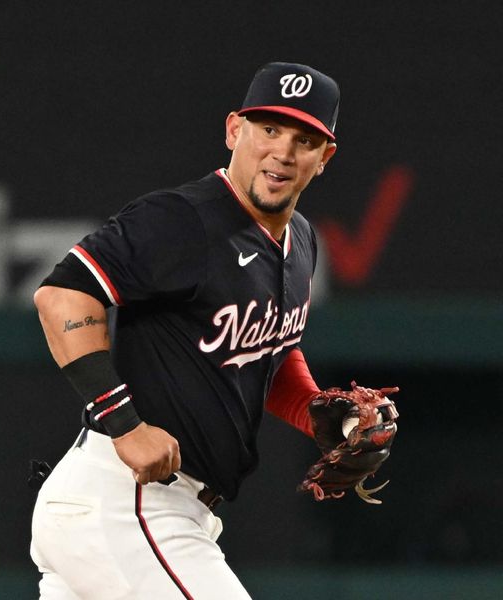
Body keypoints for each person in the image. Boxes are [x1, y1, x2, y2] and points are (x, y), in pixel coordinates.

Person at [29, 62, 382, 599]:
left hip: (153, 514)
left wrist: (313, 410)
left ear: (324, 157)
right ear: (234, 130)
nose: (283, 152)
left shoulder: (302, 242)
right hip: (128, 502)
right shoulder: (183, 219)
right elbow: (61, 296)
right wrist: (124, 423)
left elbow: (270, 350)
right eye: (269, 129)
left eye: (304, 139)